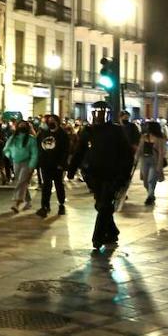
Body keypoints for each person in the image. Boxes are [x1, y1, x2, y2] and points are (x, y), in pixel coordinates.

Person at [69, 101, 133, 256]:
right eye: (96, 113)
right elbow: (79, 151)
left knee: (104, 205)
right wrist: (72, 169)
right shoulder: (88, 131)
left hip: (112, 175)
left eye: (102, 113)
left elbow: (127, 155)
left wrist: (124, 175)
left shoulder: (117, 130)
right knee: (100, 205)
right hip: (94, 176)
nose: (98, 116)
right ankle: (112, 232)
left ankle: (97, 238)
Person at [35, 114, 68, 218]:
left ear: (57, 121)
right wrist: (40, 160)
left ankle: (61, 204)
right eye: (49, 120)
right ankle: (45, 206)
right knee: (46, 186)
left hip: (57, 165)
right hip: (45, 164)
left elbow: (65, 150)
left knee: (59, 185)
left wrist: (62, 163)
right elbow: (39, 146)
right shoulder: (44, 133)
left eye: (53, 120)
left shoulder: (62, 134)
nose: (50, 122)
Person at [4, 121, 38, 213]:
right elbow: (6, 149)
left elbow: (34, 153)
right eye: (20, 125)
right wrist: (10, 155)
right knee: (22, 182)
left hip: (27, 163)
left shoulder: (31, 139)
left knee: (21, 182)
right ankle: (28, 201)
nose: (22, 127)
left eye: (23, 126)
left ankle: (17, 203)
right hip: (16, 163)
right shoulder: (12, 138)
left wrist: (32, 165)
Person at [137, 121, 168, 206]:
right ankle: (151, 194)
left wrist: (159, 165)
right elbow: (139, 149)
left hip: (154, 160)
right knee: (145, 181)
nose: (146, 127)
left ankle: (150, 197)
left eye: (147, 126)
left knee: (151, 179)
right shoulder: (144, 137)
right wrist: (136, 158)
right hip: (144, 160)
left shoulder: (159, 138)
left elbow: (161, 152)